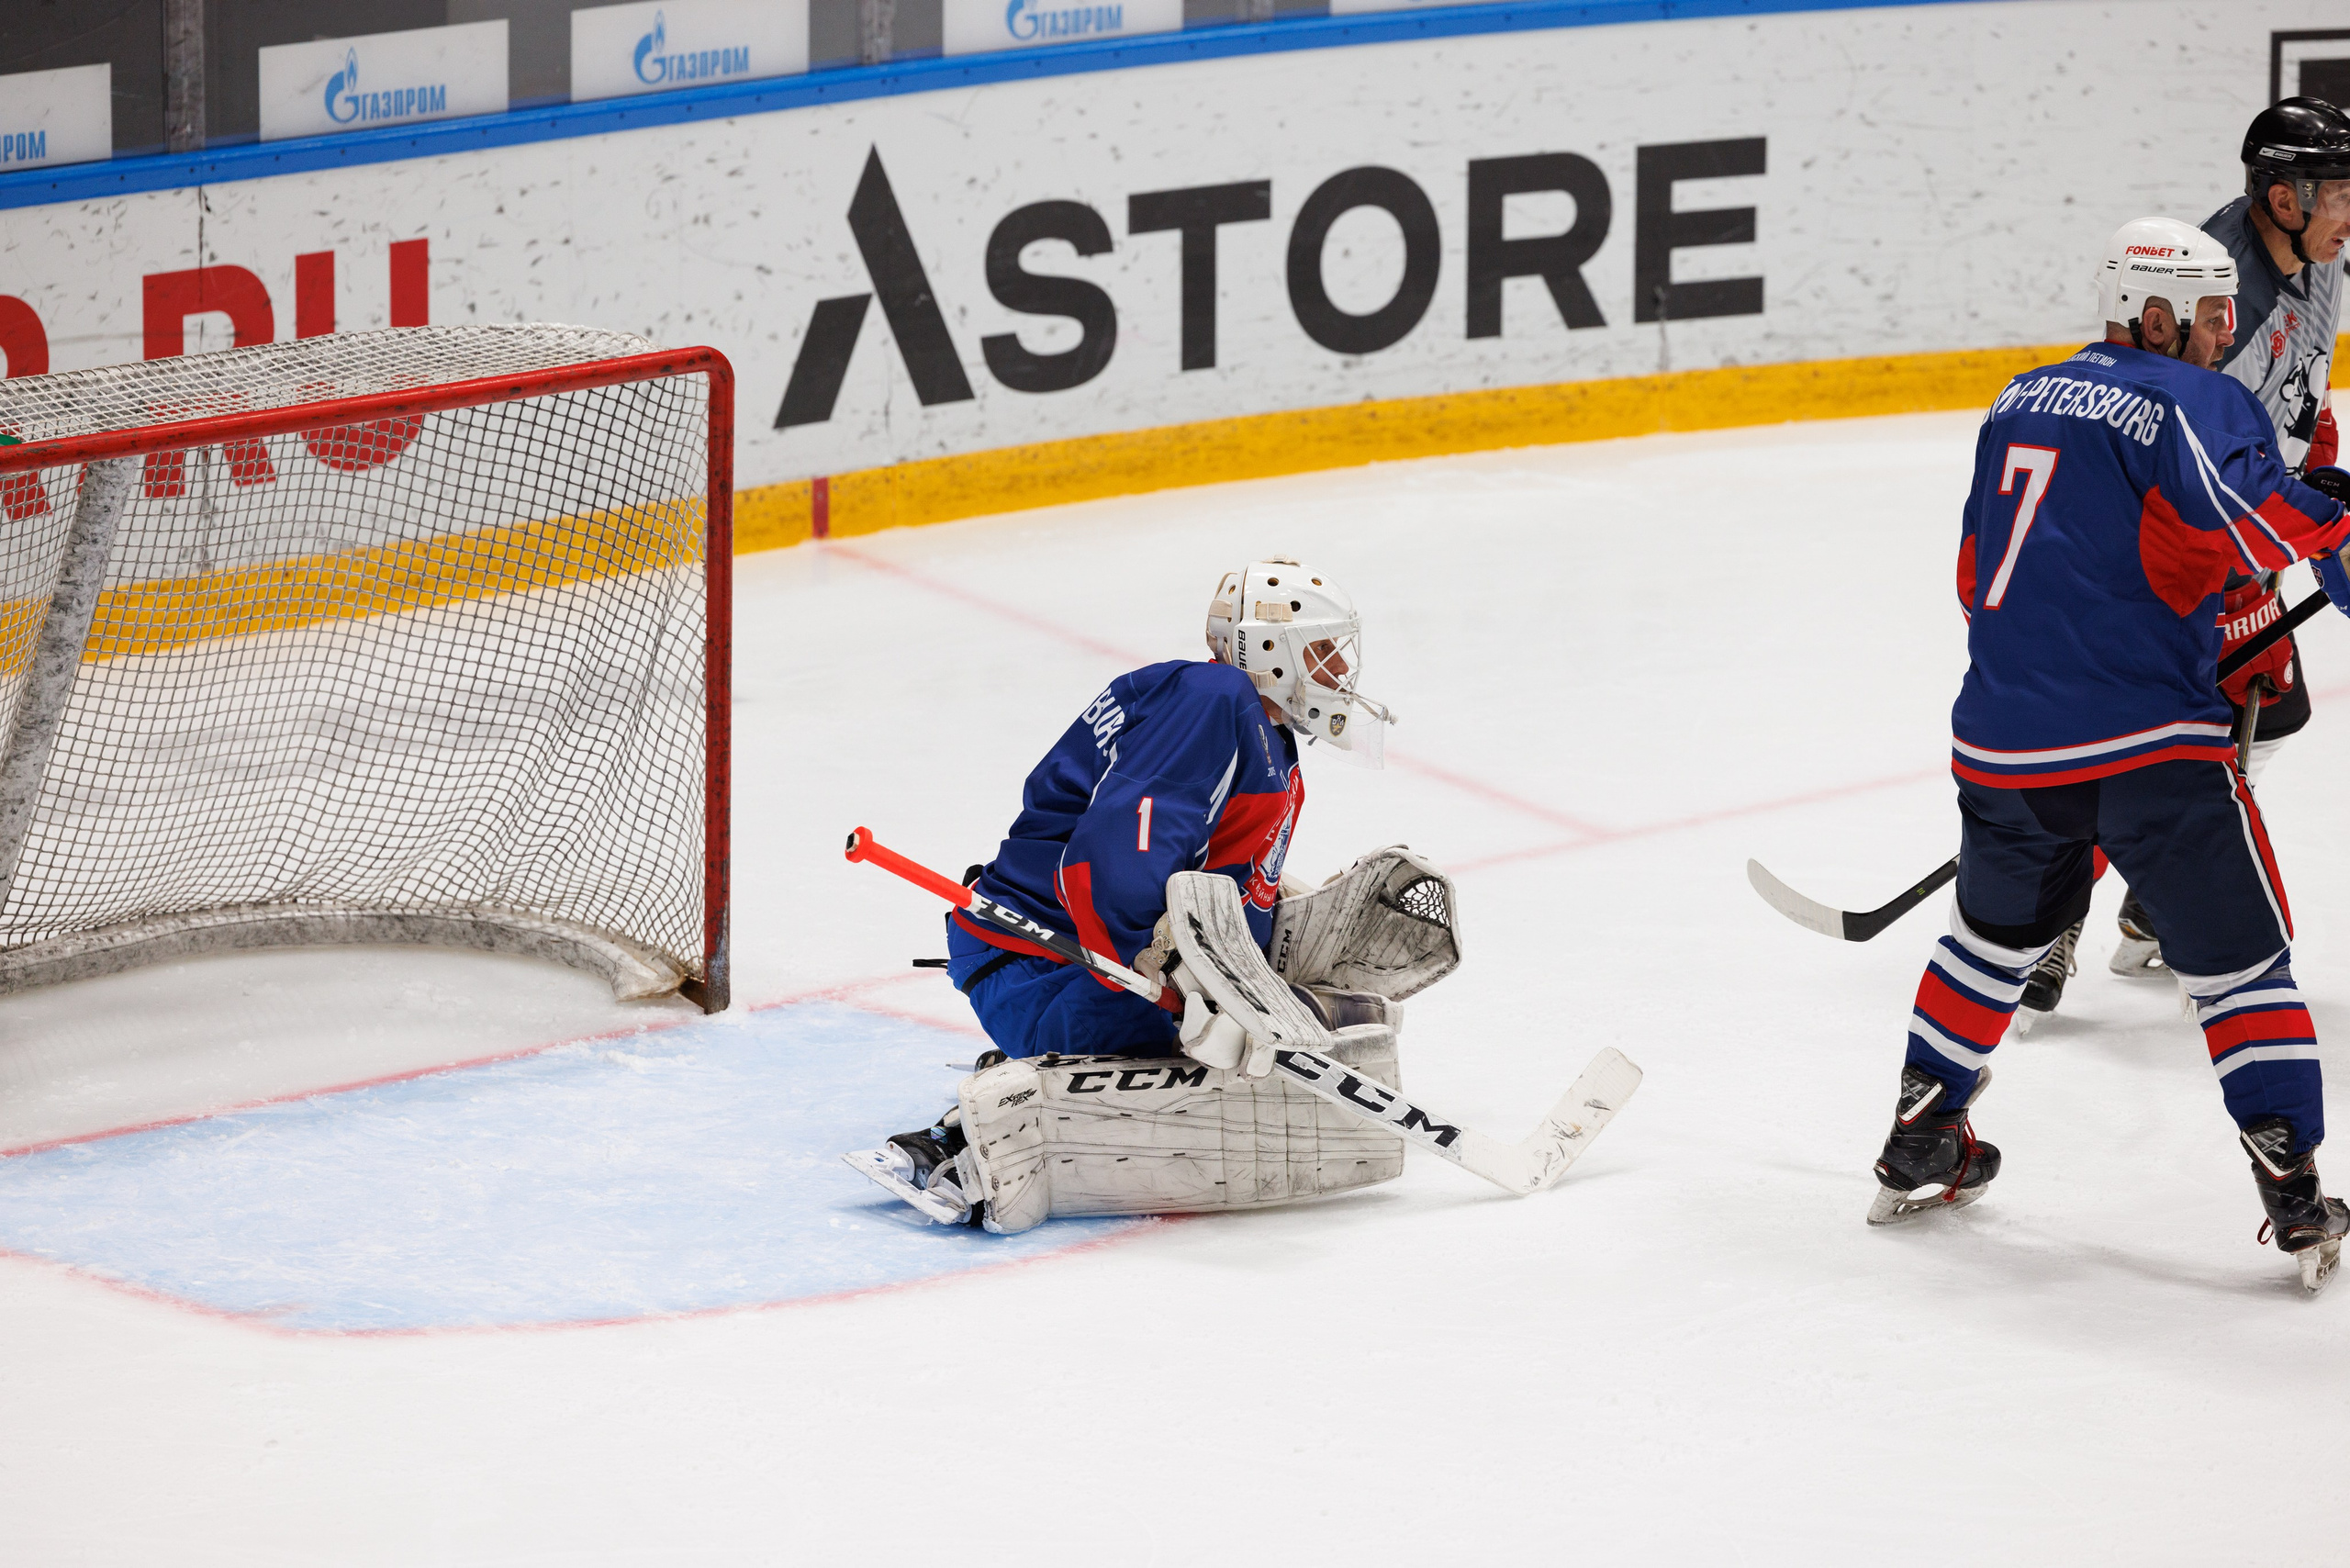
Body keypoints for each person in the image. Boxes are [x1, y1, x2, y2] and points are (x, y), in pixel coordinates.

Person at [1873, 215, 2350, 1293]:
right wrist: (2336, 522)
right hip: (2145, 743)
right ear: (2151, 312)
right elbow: (2254, 517)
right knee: (2238, 966)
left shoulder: (2015, 398)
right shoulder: (2191, 400)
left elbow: (1975, 568)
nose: (2224, 334)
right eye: (2209, 314)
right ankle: (2289, 1176)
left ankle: (1921, 1133)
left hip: (1997, 734)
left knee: (1988, 945)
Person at [843, 559, 1463, 1233]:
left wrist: (1283, 923)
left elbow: (1204, 869)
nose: (1339, 673)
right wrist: (1187, 989)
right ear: (1268, 651)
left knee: (1352, 1021)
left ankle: (1086, 1053)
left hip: (1087, 957)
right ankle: (968, 1141)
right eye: (1320, 651)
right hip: (1049, 966)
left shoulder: (1257, 730)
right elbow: (1110, 864)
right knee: (1295, 1049)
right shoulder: (1214, 699)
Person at [2043, 98, 2350, 996]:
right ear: (2285, 199)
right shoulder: (2219, 304)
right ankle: (2046, 923)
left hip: (2249, 538)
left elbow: (2302, 392)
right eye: (2338, 192)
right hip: (2178, 559)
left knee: (2275, 715)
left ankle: (2146, 896)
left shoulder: (2318, 257)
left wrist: (2316, 464)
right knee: (2146, 752)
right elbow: (2162, 455)